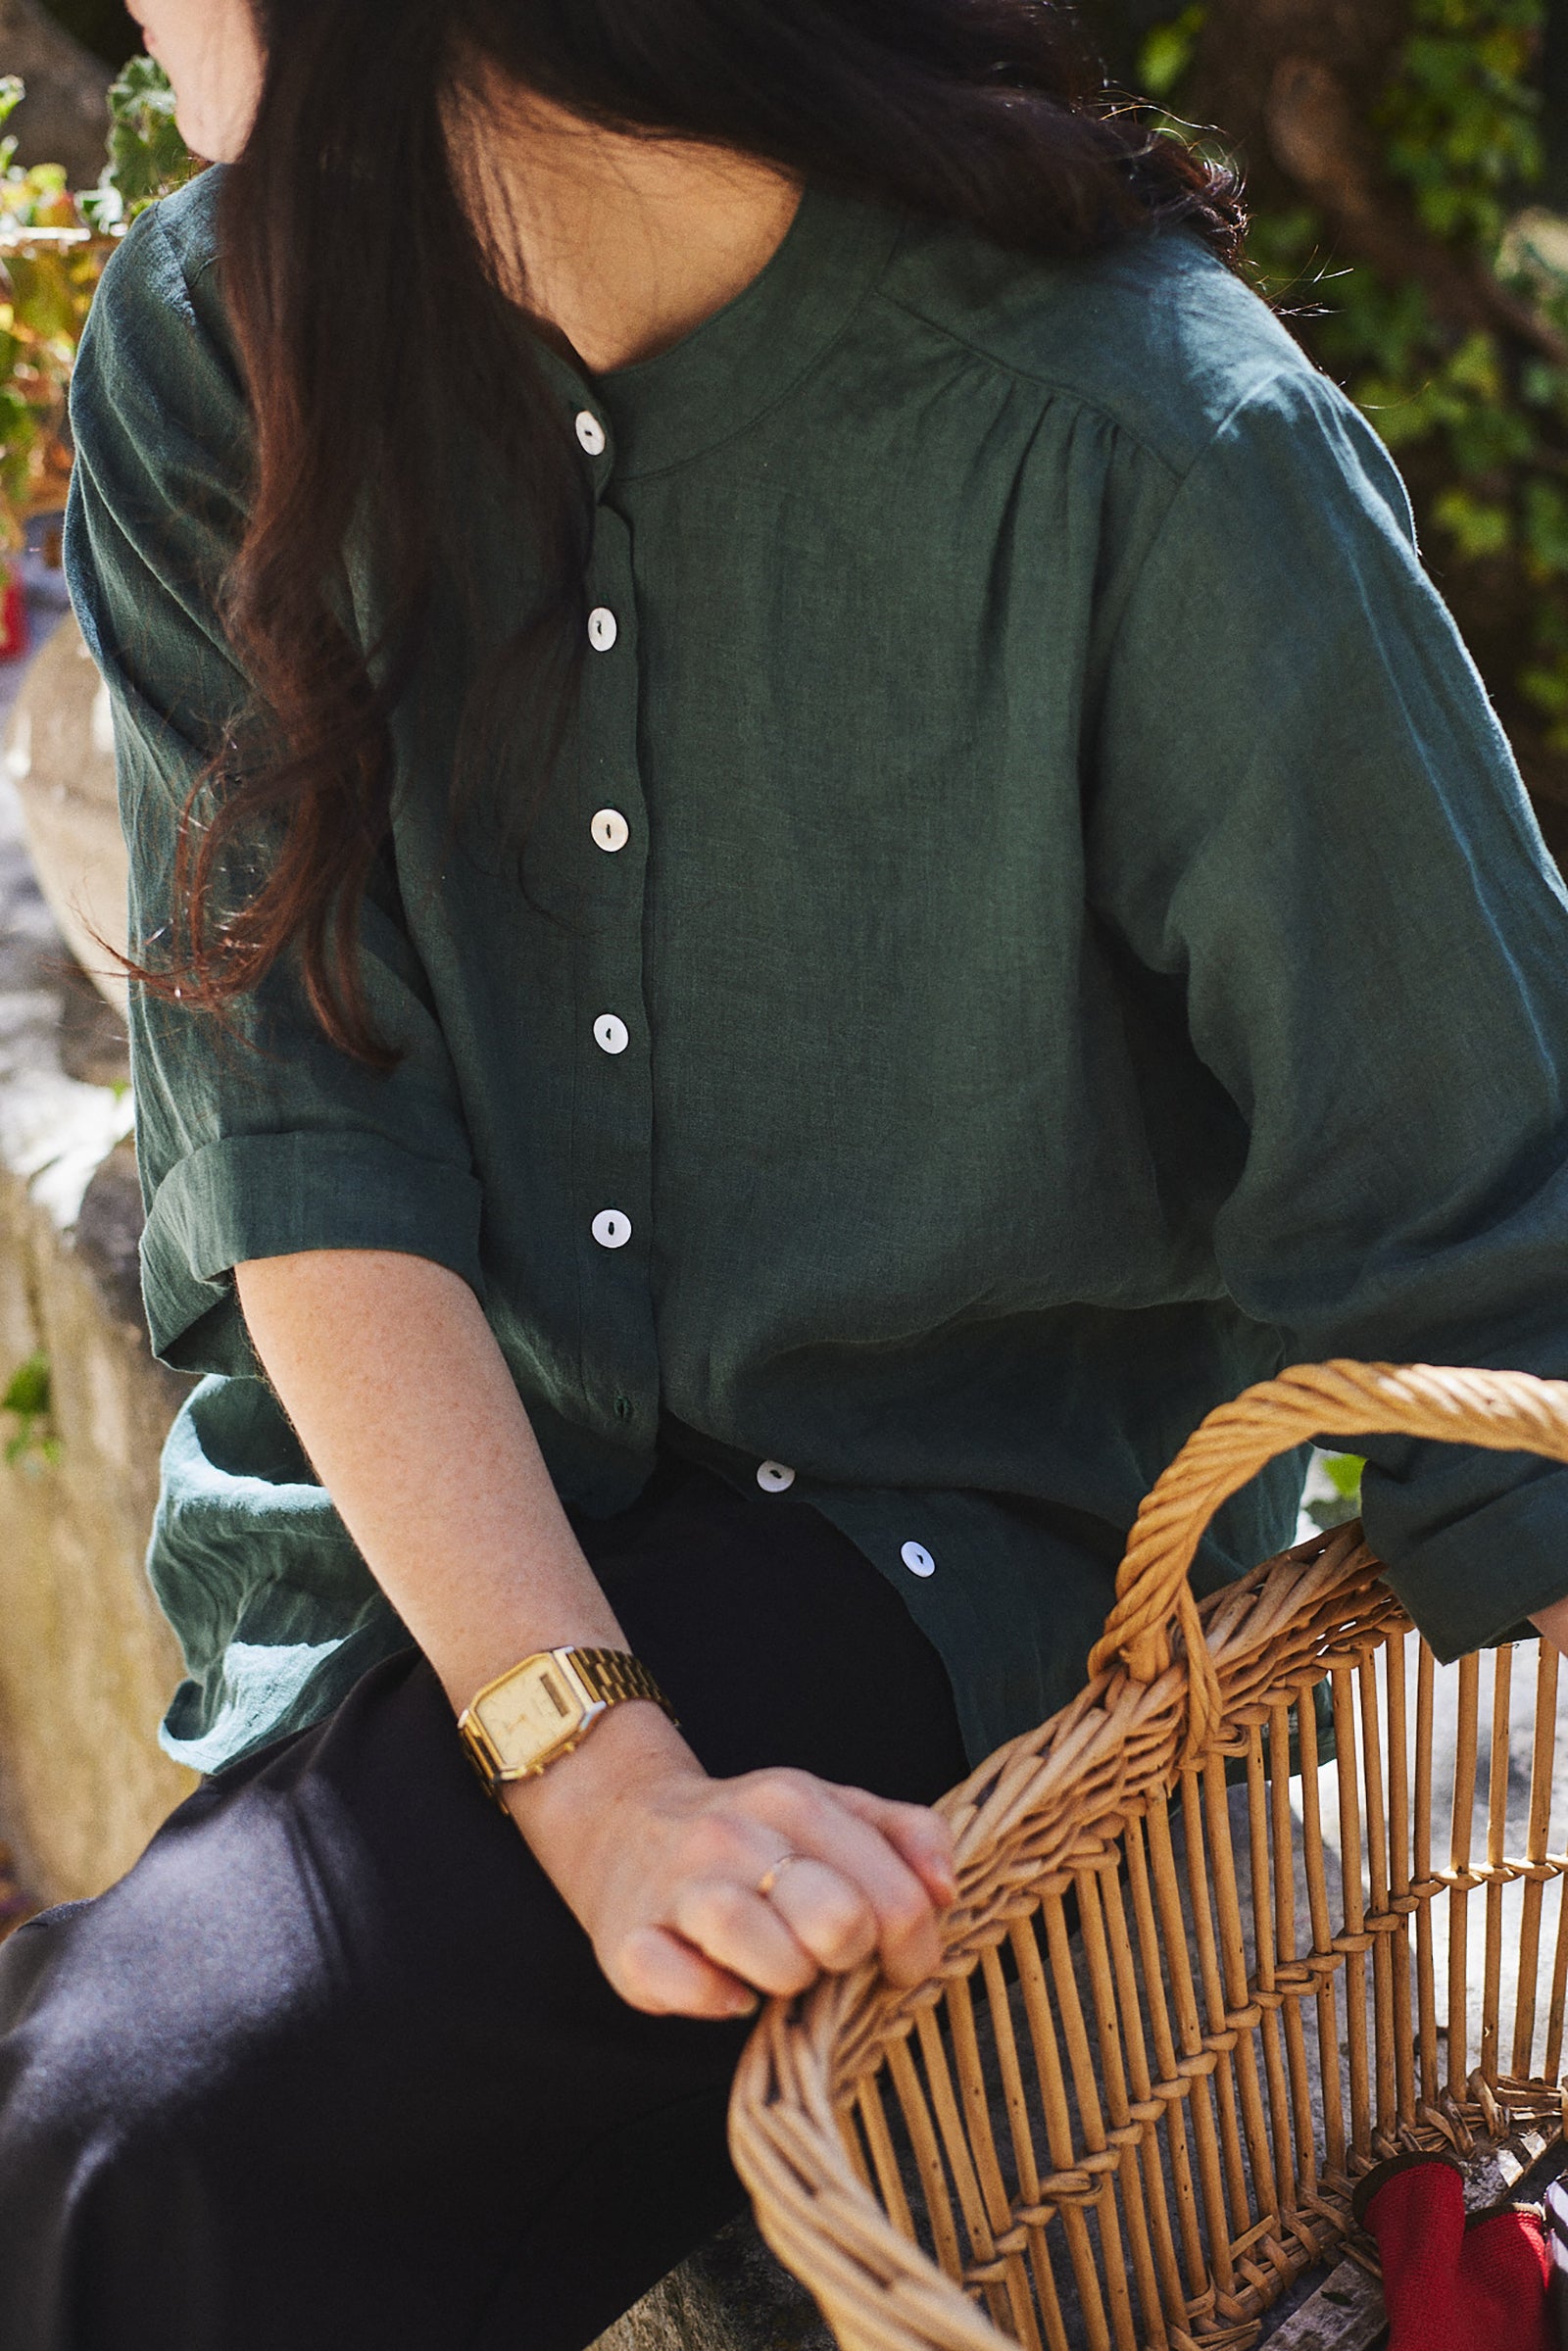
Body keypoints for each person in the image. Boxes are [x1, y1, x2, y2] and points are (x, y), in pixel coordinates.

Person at [3, 1, 1568, 2344]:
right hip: (427, 1563)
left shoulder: (1156, 440)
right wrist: (596, 1775)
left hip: (949, 1596)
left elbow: (1500, 1276)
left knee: (132, 2138)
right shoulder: (209, 352)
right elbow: (307, 1133)